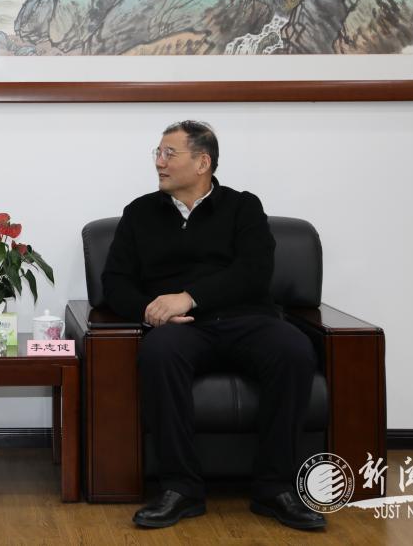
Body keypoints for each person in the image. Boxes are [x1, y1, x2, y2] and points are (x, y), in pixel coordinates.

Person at [102, 120, 325, 531]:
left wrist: (189, 296)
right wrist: (151, 309)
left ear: (202, 162)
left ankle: (275, 488)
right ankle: (180, 489)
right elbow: (114, 283)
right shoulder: (139, 213)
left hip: (246, 318)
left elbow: (254, 273)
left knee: (294, 350)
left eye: (169, 153)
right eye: (157, 153)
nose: (159, 162)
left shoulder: (243, 207)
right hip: (181, 328)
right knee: (158, 353)